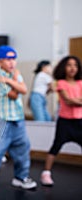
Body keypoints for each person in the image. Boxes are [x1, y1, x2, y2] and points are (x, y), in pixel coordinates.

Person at [0, 46, 37, 199]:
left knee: (23, 149)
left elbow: (24, 90)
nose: (11, 63)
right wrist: (15, 79)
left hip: (18, 119)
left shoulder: (10, 76)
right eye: (7, 59)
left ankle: (20, 177)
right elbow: (15, 95)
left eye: (13, 59)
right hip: (1, 120)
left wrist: (11, 79)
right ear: (0, 61)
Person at [40, 56, 82, 186]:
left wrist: (77, 101)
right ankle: (46, 173)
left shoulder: (80, 83)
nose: (72, 68)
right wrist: (78, 101)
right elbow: (68, 100)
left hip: (80, 121)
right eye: (69, 65)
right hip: (65, 122)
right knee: (56, 146)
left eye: (75, 65)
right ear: (63, 67)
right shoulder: (61, 83)